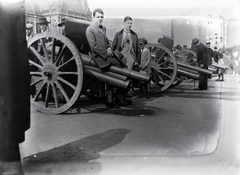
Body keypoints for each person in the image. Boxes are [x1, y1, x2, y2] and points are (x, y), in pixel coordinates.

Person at [86, 8, 128, 108]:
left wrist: (109, 48)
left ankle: (112, 99)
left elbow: (106, 41)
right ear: (93, 17)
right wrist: (106, 52)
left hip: (106, 54)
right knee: (119, 66)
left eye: (102, 17)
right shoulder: (90, 29)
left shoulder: (103, 28)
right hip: (99, 57)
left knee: (114, 72)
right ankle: (118, 97)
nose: (100, 19)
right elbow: (94, 47)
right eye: (98, 17)